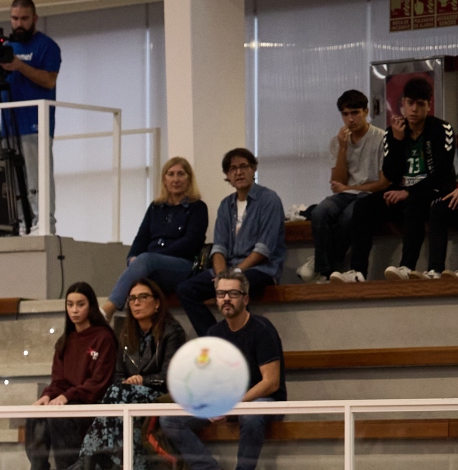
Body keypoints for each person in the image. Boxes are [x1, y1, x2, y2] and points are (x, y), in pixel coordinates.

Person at [160, 270, 284, 470]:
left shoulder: (262, 329)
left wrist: (234, 403)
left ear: (245, 298)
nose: (226, 299)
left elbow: (271, 382)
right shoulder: (214, 333)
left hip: (263, 400)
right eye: (221, 294)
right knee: (170, 419)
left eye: (233, 293)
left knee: (251, 416)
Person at [76, 277, 185, 470]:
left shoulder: (172, 331)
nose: (136, 303)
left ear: (156, 303)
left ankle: (88, 461)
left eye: (143, 297)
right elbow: (118, 376)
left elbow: (171, 376)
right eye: (132, 299)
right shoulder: (126, 333)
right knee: (124, 418)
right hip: (129, 397)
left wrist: (142, 380)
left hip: (163, 395)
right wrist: (129, 384)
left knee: (117, 395)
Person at [175, 149, 285, 334]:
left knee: (235, 287)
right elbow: (219, 248)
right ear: (227, 175)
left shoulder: (269, 199)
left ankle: (243, 340)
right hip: (229, 269)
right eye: (233, 169)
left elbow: (264, 249)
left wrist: (233, 274)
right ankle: (216, 340)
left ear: (253, 169)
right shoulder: (226, 205)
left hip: (260, 269)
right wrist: (221, 275)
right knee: (185, 289)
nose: (239, 172)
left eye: (243, 167)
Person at [27, 282, 115, 470]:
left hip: (92, 403)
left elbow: (99, 382)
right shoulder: (64, 341)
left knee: (60, 417)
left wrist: (67, 396)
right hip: (69, 400)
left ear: (91, 306)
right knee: (36, 416)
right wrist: (47, 396)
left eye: (80, 304)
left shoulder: (103, 337)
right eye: (70, 305)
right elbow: (58, 381)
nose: (74, 310)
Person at [375, 77, 458, 280]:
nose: (414, 109)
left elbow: (442, 173)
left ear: (429, 105)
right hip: (404, 191)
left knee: (428, 206)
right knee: (361, 208)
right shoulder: (393, 132)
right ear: (402, 104)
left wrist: (408, 192)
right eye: (410, 103)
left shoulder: (442, 129)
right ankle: (355, 271)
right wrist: (397, 141)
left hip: (437, 189)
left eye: (420, 104)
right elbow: (390, 175)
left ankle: (429, 268)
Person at [302, 90, 389, 283]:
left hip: (369, 194)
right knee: (320, 212)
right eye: (345, 114)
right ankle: (323, 271)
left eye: (355, 113)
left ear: (366, 112)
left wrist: (348, 188)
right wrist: (343, 149)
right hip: (345, 193)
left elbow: (383, 183)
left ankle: (325, 264)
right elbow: (337, 182)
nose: (350, 119)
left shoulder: (381, 138)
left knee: (350, 215)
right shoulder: (337, 142)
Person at [109, 157, 208, 311]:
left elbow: (191, 242)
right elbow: (141, 238)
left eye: (181, 174)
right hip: (151, 264)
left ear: (189, 179)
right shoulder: (155, 207)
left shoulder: (197, 207)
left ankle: (108, 309)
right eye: (171, 174)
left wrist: (152, 258)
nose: (176, 179)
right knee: (138, 272)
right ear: (164, 179)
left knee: (144, 264)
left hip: (182, 265)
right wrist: (132, 258)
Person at [0, 0, 61, 149]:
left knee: (35, 166)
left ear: (34, 19)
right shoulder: (7, 47)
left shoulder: (47, 46)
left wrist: (20, 66)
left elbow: (49, 81)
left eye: (24, 19)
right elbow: (1, 82)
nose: (19, 24)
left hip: (35, 128)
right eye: (15, 19)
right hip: (7, 130)